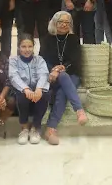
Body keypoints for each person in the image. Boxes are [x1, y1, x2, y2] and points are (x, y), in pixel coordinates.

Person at [40, 11, 88, 145]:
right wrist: (54, 70)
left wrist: (60, 68)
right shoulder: (46, 39)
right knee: (62, 78)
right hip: (51, 75)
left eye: (67, 22)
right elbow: (42, 60)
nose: (64, 25)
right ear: (54, 23)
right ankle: (79, 110)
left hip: (72, 74)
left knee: (62, 91)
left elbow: (75, 60)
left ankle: (50, 129)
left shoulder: (74, 39)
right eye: (61, 22)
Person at [8, 34, 50, 145]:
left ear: (33, 47)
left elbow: (43, 75)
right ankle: (24, 128)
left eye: (30, 46)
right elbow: (14, 77)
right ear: (18, 47)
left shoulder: (39, 60)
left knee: (45, 94)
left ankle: (35, 128)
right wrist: (25, 89)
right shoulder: (13, 60)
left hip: (36, 92)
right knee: (21, 95)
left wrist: (39, 89)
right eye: (23, 46)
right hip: (22, 92)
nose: (27, 50)